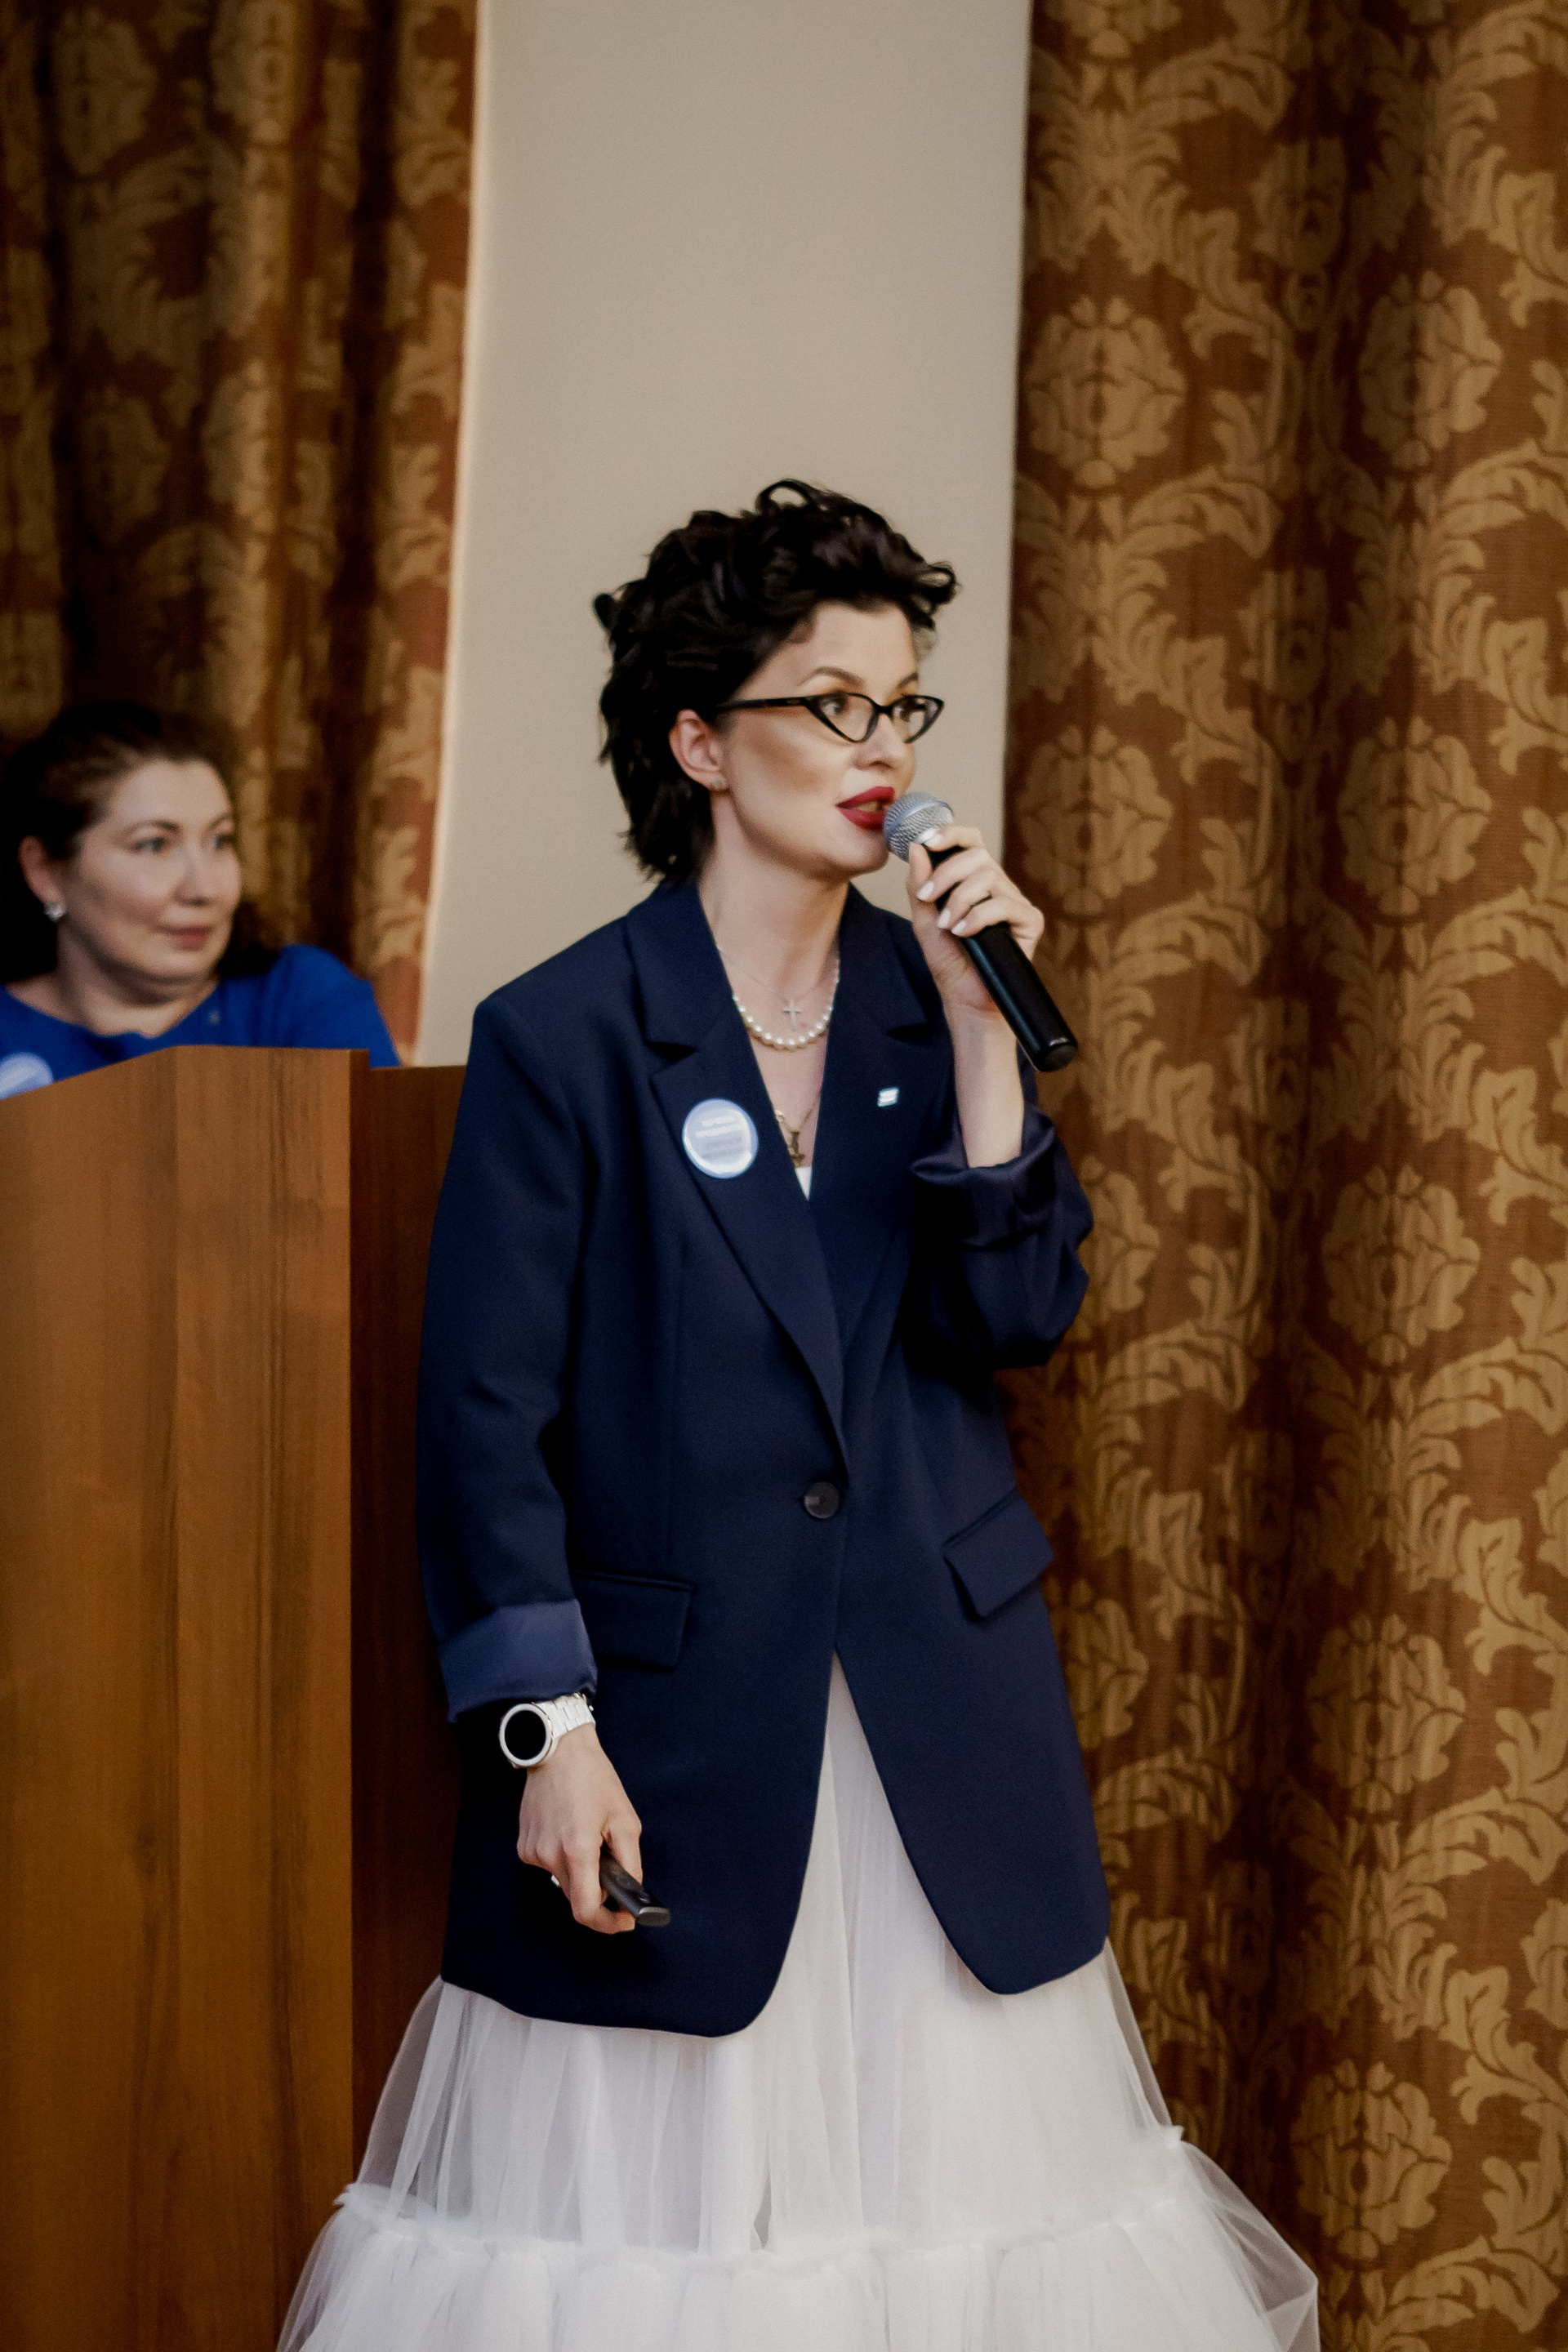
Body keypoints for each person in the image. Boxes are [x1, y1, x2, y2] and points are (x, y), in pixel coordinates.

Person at [281, 483, 1316, 2351]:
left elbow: (1015, 1317)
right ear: (700, 741)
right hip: (674, 1733)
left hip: (939, 1727)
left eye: (903, 704)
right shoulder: (566, 1033)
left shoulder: (934, 1010)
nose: (884, 750)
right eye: (834, 702)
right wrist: (547, 1731)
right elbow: (486, 1422)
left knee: (967, 2247)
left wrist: (987, 1039)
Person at [0, 702, 399, 1097]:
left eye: (219, 841)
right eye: (154, 845)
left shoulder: (300, 998)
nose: (205, 889)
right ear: (45, 872)